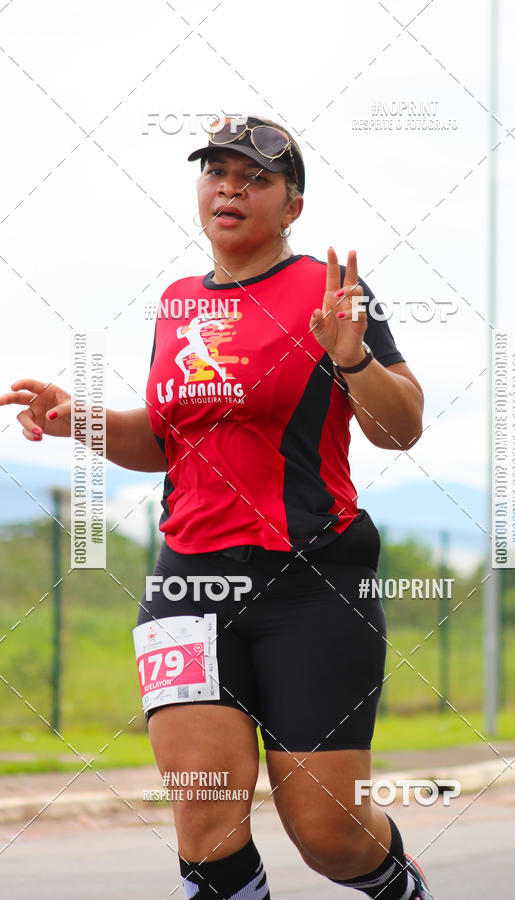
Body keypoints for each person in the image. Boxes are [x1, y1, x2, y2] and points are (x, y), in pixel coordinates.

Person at [0, 114, 432, 899]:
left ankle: (402, 885)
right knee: (204, 822)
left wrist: (354, 357)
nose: (230, 186)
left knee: (330, 836)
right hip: (187, 587)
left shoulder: (330, 291)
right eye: (216, 172)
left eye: (256, 177)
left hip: (312, 586)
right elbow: (167, 441)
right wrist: (79, 419)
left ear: (290, 207)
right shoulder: (175, 304)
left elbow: (399, 428)